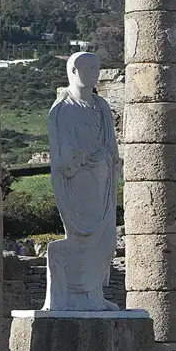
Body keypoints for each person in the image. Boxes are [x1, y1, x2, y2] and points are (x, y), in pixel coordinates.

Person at [42, 52, 120, 311]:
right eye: (88, 68)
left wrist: (108, 158)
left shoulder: (101, 106)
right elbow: (63, 156)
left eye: (97, 67)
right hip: (79, 183)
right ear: (73, 71)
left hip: (103, 182)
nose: (95, 73)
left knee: (106, 240)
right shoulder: (63, 109)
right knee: (80, 238)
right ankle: (72, 295)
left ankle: (94, 295)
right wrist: (83, 157)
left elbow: (112, 147)